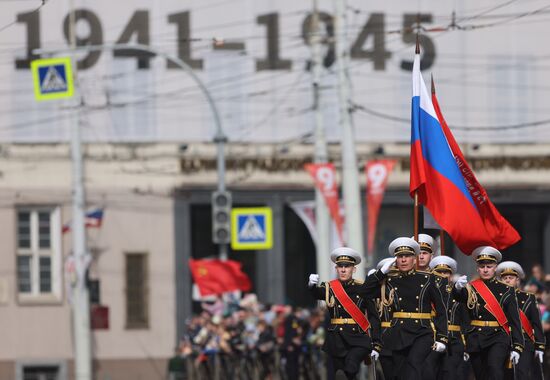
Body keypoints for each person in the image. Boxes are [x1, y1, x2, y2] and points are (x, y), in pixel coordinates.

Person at [308, 247, 394, 380]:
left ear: (353, 269)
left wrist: (376, 343)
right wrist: (312, 285)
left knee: (351, 365)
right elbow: (317, 294)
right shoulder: (329, 288)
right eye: (340, 266)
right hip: (336, 338)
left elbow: (373, 316)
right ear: (336, 269)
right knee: (343, 372)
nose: (343, 270)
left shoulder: (363, 288)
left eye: (347, 266)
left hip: (358, 338)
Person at [381, 237, 448, 380]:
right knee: (399, 372)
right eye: (400, 257)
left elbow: (441, 310)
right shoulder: (390, 280)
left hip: (421, 332)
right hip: (398, 332)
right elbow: (364, 293)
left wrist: (442, 337)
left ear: (414, 258)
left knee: (414, 366)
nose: (403, 260)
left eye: (407, 256)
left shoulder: (429, 278)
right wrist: (379, 274)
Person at [453, 246, 524, 380]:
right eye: (482, 266)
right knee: (480, 375)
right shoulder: (470, 287)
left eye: (489, 266)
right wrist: (457, 288)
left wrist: (517, 346)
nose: (485, 269)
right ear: (477, 268)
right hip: (476, 337)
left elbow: (515, 320)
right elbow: (459, 298)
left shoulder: (507, 290)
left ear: (495, 267)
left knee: (495, 370)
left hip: (498, 337)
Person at [497, 261, 546, 379]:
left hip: (525, 342)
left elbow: (536, 323)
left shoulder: (528, 298)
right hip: (502, 341)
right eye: (504, 278)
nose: (508, 280)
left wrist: (539, 345)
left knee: (521, 374)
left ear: (517, 279)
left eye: (511, 277)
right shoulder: (496, 299)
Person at [429, 256, 469, 380]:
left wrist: (466, 346)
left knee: (452, 374)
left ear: (451, 275)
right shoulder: (427, 293)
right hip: (432, 338)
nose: (442, 275)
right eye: (439, 272)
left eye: (446, 272)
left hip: (454, 340)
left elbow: (465, 320)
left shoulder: (457, 293)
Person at [374, 257, 398, 380]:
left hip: (402, 339)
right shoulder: (377, 296)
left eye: (394, 274)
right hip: (384, 342)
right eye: (388, 274)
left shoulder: (401, 291)